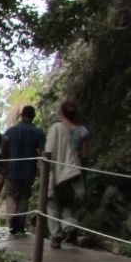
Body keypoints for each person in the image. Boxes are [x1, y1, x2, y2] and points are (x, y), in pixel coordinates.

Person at [45, 99, 90, 249]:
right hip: (74, 172)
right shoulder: (82, 131)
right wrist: (82, 174)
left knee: (52, 204)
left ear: (62, 112)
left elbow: (49, 150)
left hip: (58, 170)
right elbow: (84, 156)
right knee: (68, 204)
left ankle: (56, 235)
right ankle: (70, 225)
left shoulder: (57, 128)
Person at [1, 105, 47, 236]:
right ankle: (20, 223)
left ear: (21, 115)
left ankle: (13, 215)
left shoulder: (10, 131)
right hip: (28, 170)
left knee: (9, 194)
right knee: (24, 196)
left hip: (11, 169)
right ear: (33, 116)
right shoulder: (38, 133)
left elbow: (2, 149)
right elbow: (43, 150)